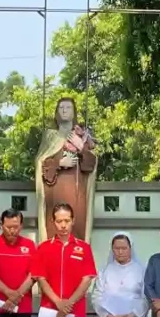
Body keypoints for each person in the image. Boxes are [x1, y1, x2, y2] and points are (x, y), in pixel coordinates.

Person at [35, 97, 98, 242]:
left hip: (77, 191)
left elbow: (91, 164)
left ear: (74, 112)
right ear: (56, 112)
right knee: (54, 226)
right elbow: (40, 162)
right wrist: (59, 163)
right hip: (55, 191)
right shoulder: (50, 137)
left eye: (68, 107)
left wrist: (81, 147)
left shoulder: (81, 137)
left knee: (76, 225)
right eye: (61, 107)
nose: (64, 110)